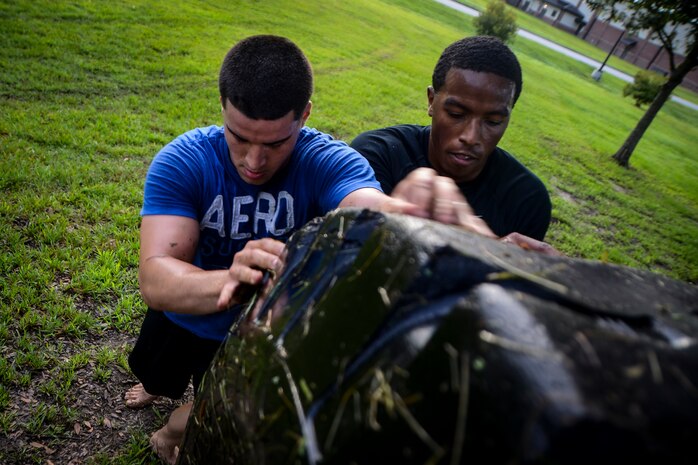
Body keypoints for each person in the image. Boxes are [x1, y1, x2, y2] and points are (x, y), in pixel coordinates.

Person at [125, 35, 493, 464]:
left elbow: (368, 207)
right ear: (222, 105)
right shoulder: (184, 160)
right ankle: (154, 387)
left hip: (256, 332)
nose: (254, 162)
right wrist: (230, 279)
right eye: (239, 137)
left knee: (221, 409)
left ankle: (169, 433)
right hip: (182, 316)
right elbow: (156, 276)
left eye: (276, 143)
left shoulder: (328, 159)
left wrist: (409, 211)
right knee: (156, 372)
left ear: (305, 116)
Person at [351, 35, 558, 255]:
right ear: (431, 101)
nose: (471, 137)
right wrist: (490, 251)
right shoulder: (375, 155)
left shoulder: (526, 199)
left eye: (493, 122)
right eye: (456, 114)